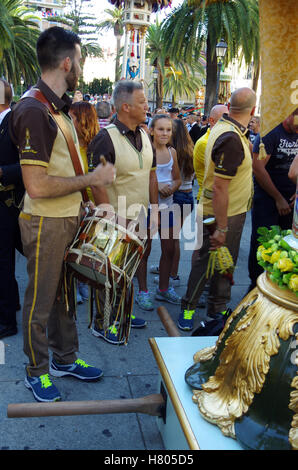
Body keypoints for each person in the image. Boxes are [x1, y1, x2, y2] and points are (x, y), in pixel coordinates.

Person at [9, 26, 115, 403]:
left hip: (67, 216)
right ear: (67, 62)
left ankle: (64, 359)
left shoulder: (56, 107)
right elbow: (36, 185)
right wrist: (92, 179)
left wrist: (85, 199)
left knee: (63, 296)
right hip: (45, 221)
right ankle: (36, 371)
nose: (81, 67)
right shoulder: (35, 110)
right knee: (41, 299)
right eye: (80, 60)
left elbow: (62, 169)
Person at [178, 87, 256, 332]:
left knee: (221, 264)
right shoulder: (231, 137)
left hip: (223, 211)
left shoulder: (226, 129)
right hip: (223, 214)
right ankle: (191, 309)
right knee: (209, 263)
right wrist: (222, 226)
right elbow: (221, 187)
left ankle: (217, 311)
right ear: (252, 111)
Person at [88, 80, 159, 343]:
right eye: (142, 102)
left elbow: (151, 177)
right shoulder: (105, 138)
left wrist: (155, 212)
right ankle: (102, 322)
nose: (147, 106)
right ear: (126, 107)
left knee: (127, 272)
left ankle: (121, 313)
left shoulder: (144, 135)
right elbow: (97, 183)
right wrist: (109, 218)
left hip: (139, 218)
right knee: (107, 273)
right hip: (114, 222)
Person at [248, 108, 298, 290]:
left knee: (287, 243)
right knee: (263, 242)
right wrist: (278, 198)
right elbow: (258, 168)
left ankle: (277, 285)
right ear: (291, 114)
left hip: (291, 197)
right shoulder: (271, 133)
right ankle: (255, 285)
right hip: (267, 199)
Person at [139, 114, 181, 307]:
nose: (165, 133)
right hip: (147, 209)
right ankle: (142, 291)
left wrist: (171, 187)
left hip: (168, 207)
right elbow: (141, 180)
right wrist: (157, 189)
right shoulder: (144, 152)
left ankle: (163, 289)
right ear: (151, 130)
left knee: (169, 249)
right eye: (161, 129)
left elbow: (178, 178)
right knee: (144, 251)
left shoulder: (172, 152)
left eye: (168, 129)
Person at [0, 79, 25, 340]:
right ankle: (12, 302)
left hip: (10, 203)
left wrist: (2, 172)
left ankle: (7, 321)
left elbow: (31, 163)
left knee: (3, 263)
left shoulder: (15, 123)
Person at [69, 100, 99, 303]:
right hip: (75, 203)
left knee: (86, 247)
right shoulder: (67, 145)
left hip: (94, 204)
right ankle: (73, 284)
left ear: (83, 120)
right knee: (71, 247)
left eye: (72, 118)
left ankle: (82, 281)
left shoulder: (95, 145)